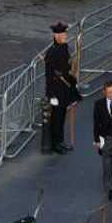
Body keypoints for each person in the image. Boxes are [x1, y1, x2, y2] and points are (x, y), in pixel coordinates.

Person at [44, 22, 78, 155]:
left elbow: (66, 69)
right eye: (62, 34)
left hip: (63, 89)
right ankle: (55, 144)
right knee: (56, 118)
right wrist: (51, 95)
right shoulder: (52, 52)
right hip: (55, 90)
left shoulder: (64, 48)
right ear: (55, 35)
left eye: (65, 33)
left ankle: (60, 141)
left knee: (62, 116)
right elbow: (49, 75)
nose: (65, 36)